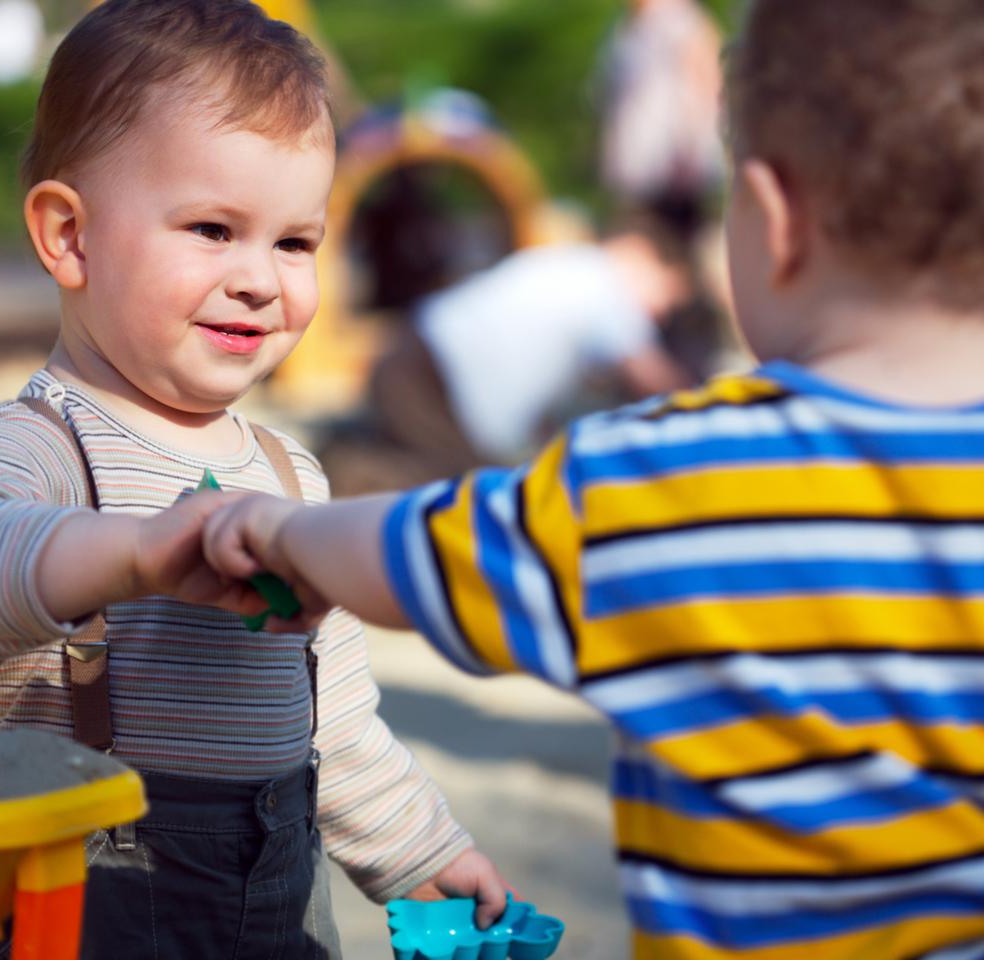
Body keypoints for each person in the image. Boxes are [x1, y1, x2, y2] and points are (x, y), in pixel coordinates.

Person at [200, 1, 984, 956]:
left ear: (776, 223)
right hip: (433, 381)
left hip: (424, 377)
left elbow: (415, 553)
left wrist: (285, 534)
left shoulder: (662, 481)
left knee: (406, 472)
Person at [0, 2, 505, 958]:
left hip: (275, 898)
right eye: (215, 229)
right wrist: (133, 553)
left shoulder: (287, 474)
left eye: (295, 242)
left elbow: (331, 719)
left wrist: (418, 850)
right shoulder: (45, 447)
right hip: (84, 900)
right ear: (71, 237)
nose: (262, 278)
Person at [322, 223, 694, 495]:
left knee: (457, 484)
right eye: (666, 296)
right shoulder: (606, 281)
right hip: (435, 377)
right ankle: (332, 481)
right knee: (447, 491)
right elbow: (649, 375)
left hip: (424, 359)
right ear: (641, 253)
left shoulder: (572, 268)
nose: (659, 316)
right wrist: (702, 406)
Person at [598, 0, 723, 240]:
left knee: (676, 244)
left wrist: (698, 144)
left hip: (675, 169)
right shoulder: (630, 24)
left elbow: (708, 81)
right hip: (642, 174)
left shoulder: (679, 18)